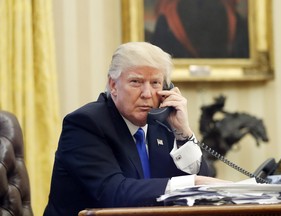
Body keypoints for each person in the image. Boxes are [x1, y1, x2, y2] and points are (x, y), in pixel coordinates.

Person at [44, 42, 231, 216]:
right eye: (136, 82)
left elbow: (204, 190)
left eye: (155, 83)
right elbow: (114, 194)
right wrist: (191, 184)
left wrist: (183, 133)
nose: (147, 94)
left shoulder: (163, 122)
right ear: (113, 85)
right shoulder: (85, 124)